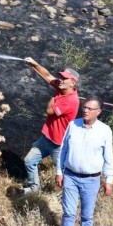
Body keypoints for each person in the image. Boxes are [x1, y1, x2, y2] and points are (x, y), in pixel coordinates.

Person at [55, 97, 113, 226]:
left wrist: (108, 180)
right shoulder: (73, 125)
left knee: (87, 216)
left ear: (99, 112)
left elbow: (109, 157)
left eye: (90, 108)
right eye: (85, 107)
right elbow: (63, 150)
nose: (86, 110)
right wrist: (59, 171)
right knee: (68, 213)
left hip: (92, 180)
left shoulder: (104, 131)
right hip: (71, 176)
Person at [21, 57, 80, 194]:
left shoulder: (70, 101)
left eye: (64, 78)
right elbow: (47, 76)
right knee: (29, 161)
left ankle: (69, 194)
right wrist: (35, 64)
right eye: (61, 77)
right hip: (47, 138)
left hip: (58, 145)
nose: (61, 80)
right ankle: (34, 189)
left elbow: (49, 111)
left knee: (63, 173)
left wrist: (53, 98)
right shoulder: (63, 89)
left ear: (72, 83)